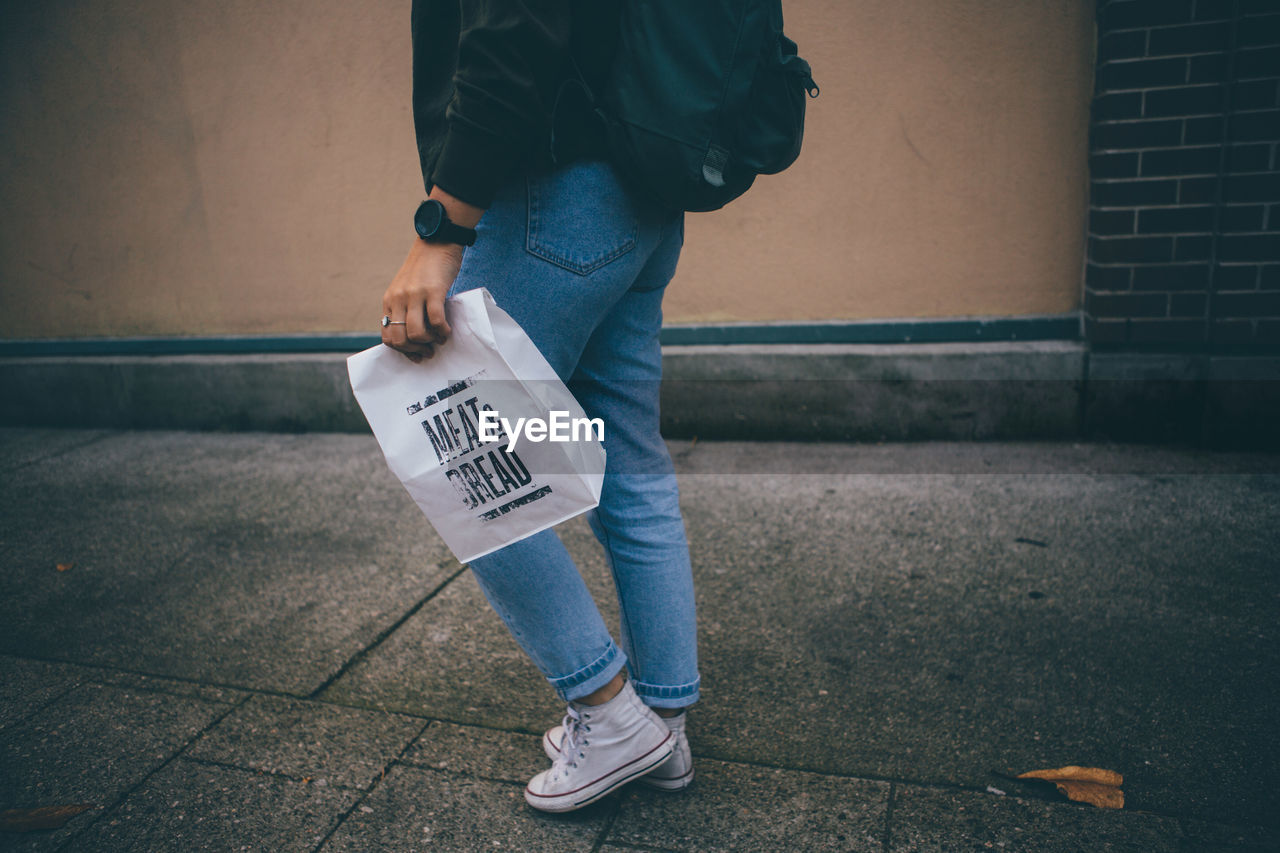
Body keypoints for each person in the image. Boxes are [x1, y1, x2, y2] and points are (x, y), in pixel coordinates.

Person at [379, 2, 699, 813]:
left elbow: (514, 34)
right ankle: (660, 720)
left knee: (467, 459)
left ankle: (606, 707)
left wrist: (441, 230)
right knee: (628, 458)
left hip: (547, 199)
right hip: (638, 198)